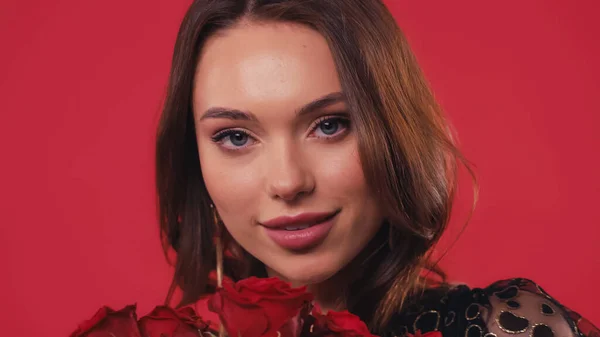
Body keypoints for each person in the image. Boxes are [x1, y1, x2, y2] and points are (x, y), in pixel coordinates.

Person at [73, 0, 598, 336]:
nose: (287, 181)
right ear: (197, 162)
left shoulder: (511, 330)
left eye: (329, 125)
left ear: (391, 129)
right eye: (235, 136)